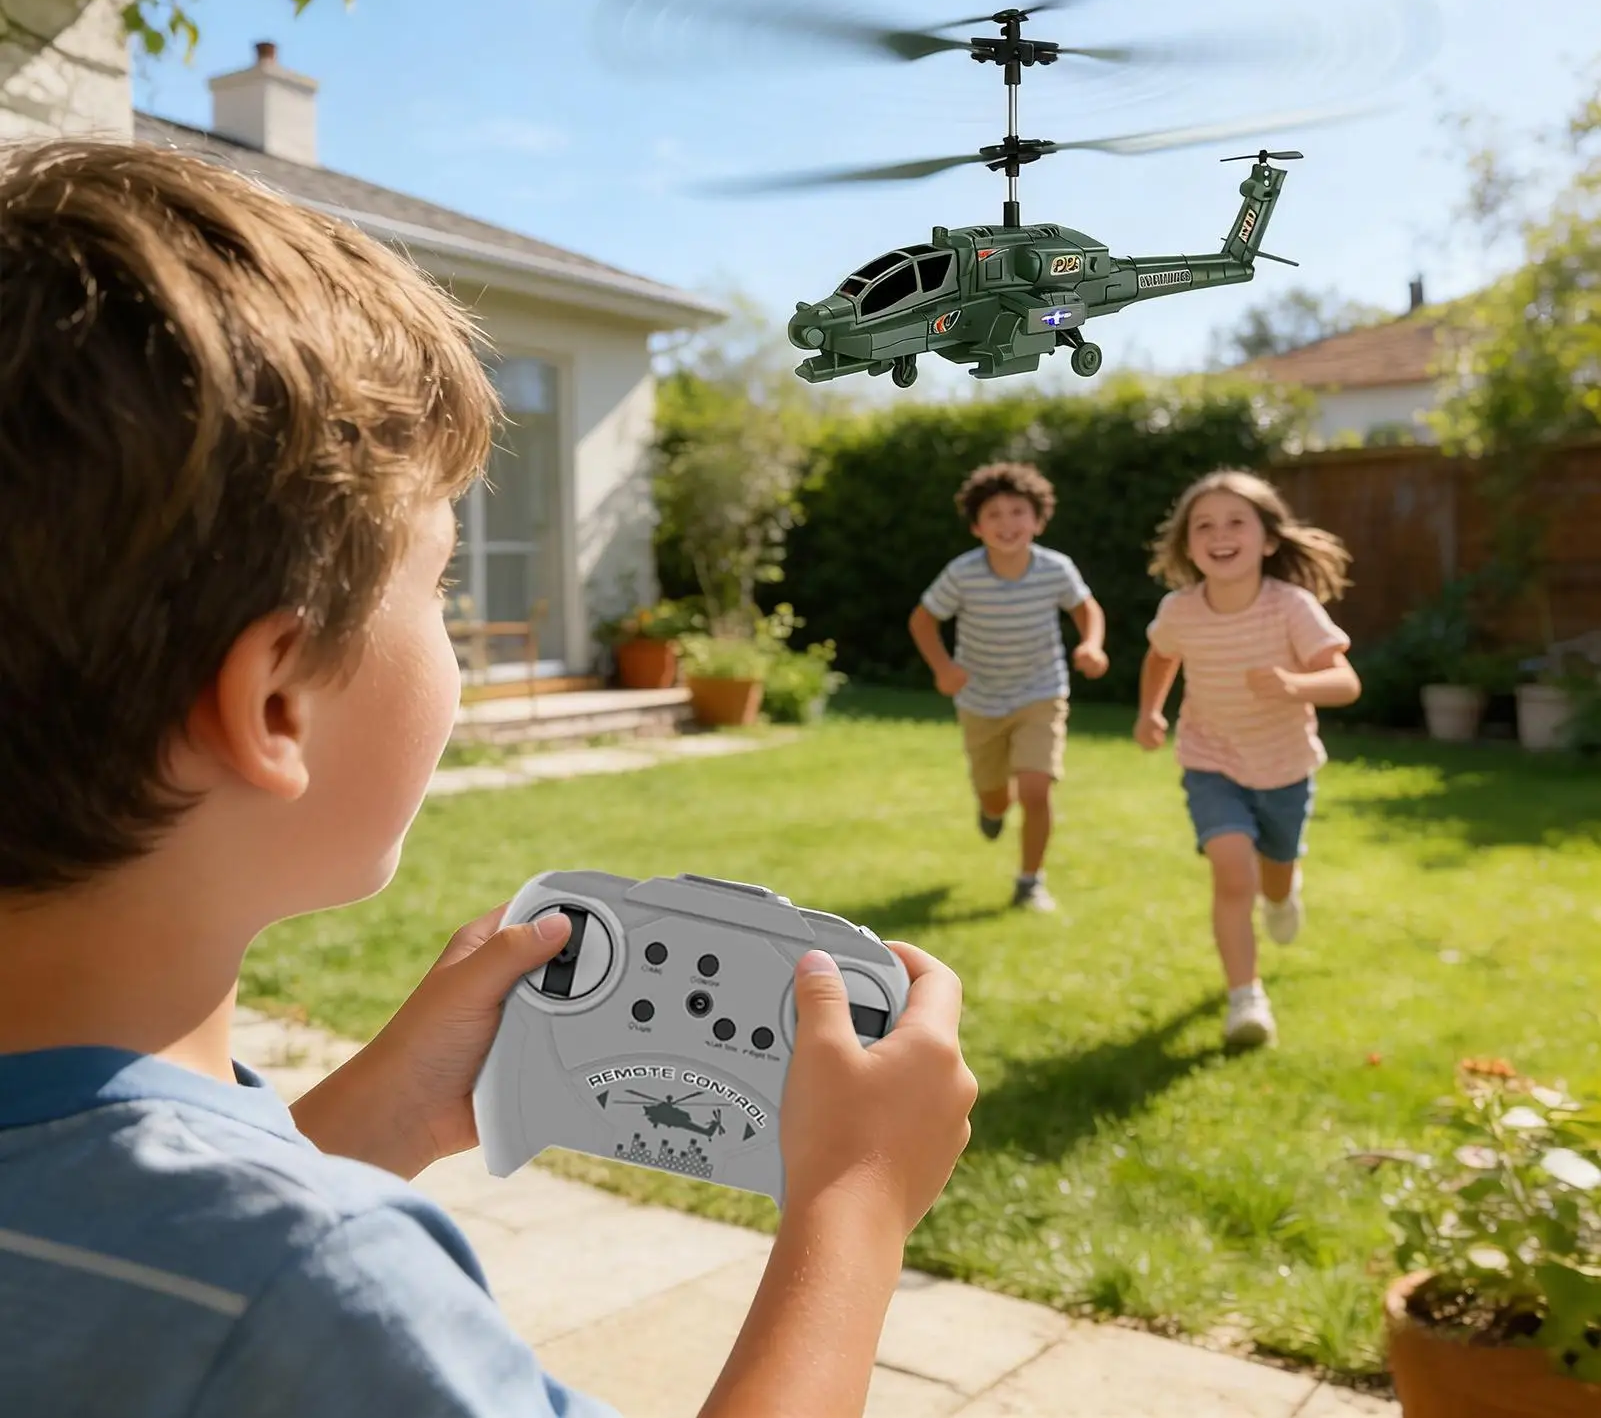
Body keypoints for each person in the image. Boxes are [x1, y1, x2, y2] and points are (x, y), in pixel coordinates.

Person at [0, 140, 979, 1418]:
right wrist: (855, 1203)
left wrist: (384, 1113)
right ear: (277, 704)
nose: (453, 624)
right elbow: (237, 1297)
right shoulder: (318, 1286)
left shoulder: (199, 1254)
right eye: (440, 586)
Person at [1133, 468, 1360, 1048]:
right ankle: (1245, 999)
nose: (1220, 535)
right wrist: (1151, 712)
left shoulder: (1292, 607)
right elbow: (1161, 657)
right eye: (1204, 526)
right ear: (1188, 545)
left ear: (1269, 539)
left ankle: (1283, 894)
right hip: (1210, 760)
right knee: (1233, 872)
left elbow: (1345, 682)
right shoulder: (1181, 611)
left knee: (1274, 875)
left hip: (1284, 766)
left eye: (1236, 522)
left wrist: (1293, 684)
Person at [909, 461, 1108, 913]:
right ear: (977, 527)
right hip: (980, 701)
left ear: (1038, 520)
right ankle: (992, 808)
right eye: (994, 515)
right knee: (996, 796)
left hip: (1041, 692)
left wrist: (1092, 644)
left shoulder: (1055, 568)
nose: (1007, 523)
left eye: (1018, 512)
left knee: (1036, 789)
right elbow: (922, 621)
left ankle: (1030, 881)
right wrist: (943, 668)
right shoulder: (963, 573)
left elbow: (1086, 609)